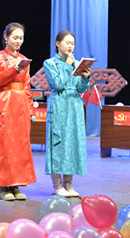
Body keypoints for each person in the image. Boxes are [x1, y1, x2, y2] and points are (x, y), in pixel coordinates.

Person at [0, 22, 36, 201]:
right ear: (6, 37)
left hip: (21, 103)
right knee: (4, 145)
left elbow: (27, 86)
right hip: (5, 101)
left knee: (20, 145)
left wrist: (30, 108)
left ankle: (16, 185)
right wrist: (13, 70)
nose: (18, 41)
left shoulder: (24, 59)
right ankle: (3, 187)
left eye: (21, 38)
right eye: (15, 37)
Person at [42, 30, 91, 198]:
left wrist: (85, 78)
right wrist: (67, 67)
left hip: (74, 105)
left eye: (72, 43)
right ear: (57, 43)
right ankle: (57, 185)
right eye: (67, 42)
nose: (70, 46)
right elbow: (58, 84)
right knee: (58, 143)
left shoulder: (76, 63)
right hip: (59, 104)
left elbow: (80, 88)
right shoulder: (50, 63)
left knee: (72, 143)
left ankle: (69, 185)